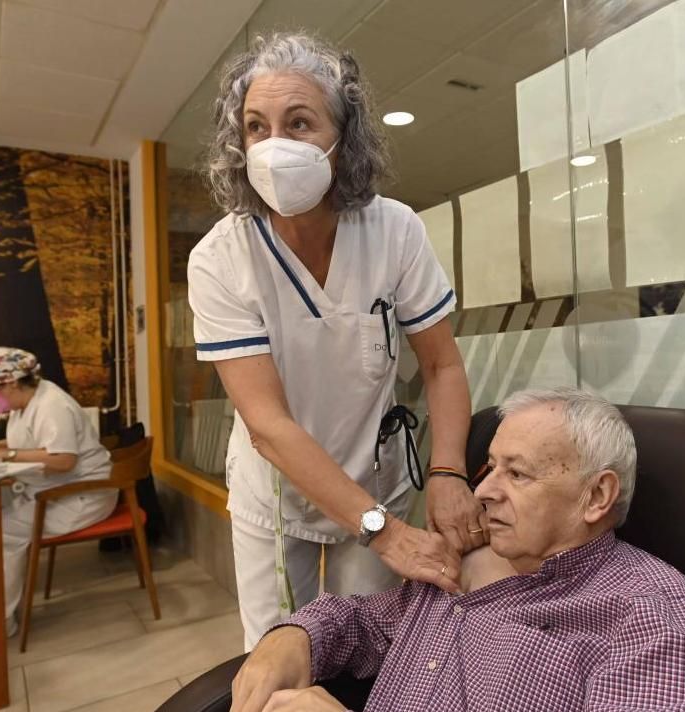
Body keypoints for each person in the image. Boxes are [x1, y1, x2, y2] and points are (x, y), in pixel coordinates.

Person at [228, 387, 685, 712]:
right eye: (489, 467)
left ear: (597, 495)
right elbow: (366, 622)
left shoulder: (648, 611)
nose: (483, 490)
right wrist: (296, 635)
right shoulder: (464, 566)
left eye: (518, 473)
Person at [188, 31, 483, 649]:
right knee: (281, 657)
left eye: (299, 123)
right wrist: (384, 532)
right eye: (256, 128)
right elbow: (268, 425)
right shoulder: (220, 259)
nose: (274, 147)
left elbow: (441, 366)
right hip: (277, 497)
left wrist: (449, 471)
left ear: (342, 142)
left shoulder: (393, 229)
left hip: (375, 474)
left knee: (372, 650)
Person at [0, 348, 117, 635]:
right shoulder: (25, 405)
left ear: (11, 383)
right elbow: (21, 448)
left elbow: (63, 459)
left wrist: (4, 456)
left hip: (83, 496)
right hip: (51, 490)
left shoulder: (51, 405)